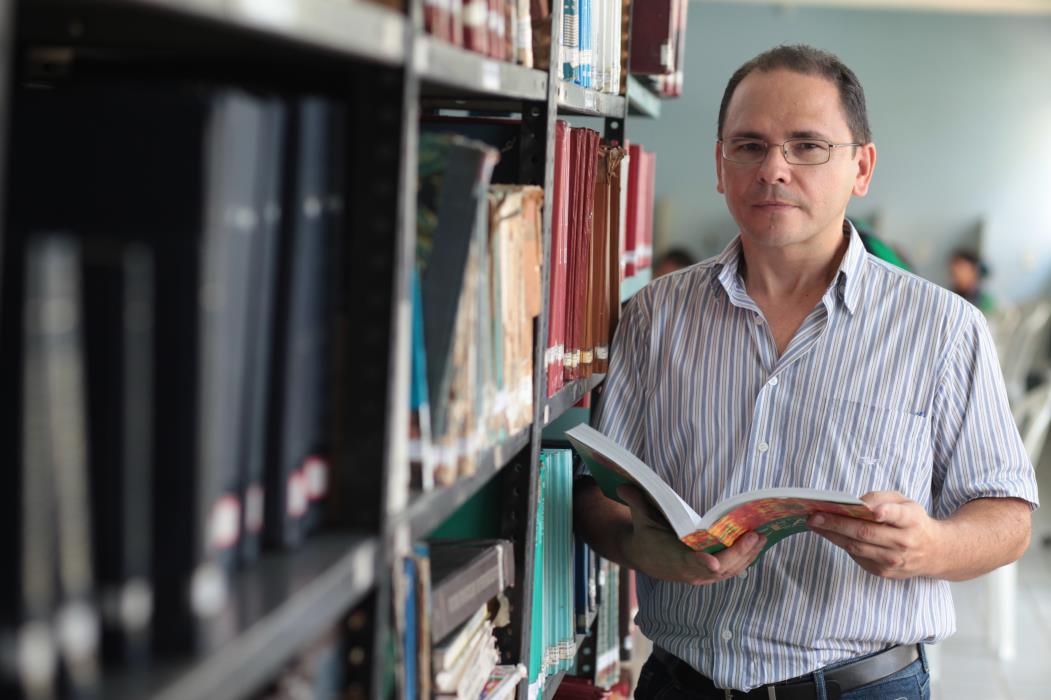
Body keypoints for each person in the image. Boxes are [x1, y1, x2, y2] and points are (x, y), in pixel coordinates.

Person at [574, 44, 1038, 699]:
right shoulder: (653, 315)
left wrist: (930, 545)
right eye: (748, 145)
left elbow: (1008, 517)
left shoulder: (942, 329)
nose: (773, 170)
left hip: (860, 686)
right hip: (679, 681)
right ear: (718, 163)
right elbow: (595, 495)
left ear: (861, 167)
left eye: (806, 145)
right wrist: (640, 549)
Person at [948, 247, 995, 313]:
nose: (957, 274)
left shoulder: (985, 301)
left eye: (961, 269)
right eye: (952, 272)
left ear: (974, 271)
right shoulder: (951, 297)